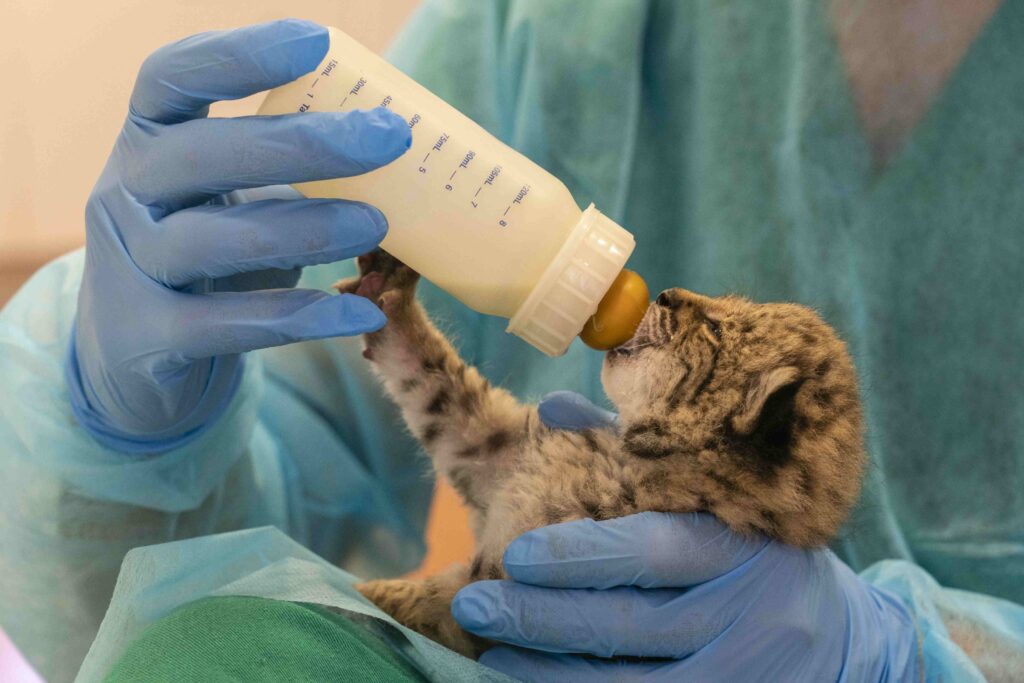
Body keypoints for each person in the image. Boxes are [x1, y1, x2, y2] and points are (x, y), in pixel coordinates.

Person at [1, 2, 1022, 681]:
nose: (676, 298)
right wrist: (121, 425)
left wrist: (900, 658)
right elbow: (186, 575)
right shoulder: (562, 27)